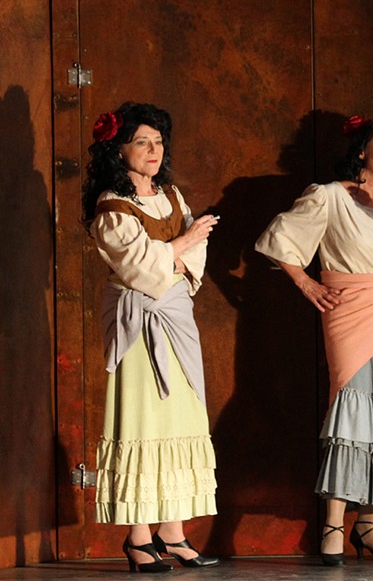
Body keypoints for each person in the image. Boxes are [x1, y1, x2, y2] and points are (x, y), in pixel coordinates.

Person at [255, 117, 373, 566]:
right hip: (353, 312)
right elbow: (281, 237)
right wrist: (306, 283)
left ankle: (368, 524)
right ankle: (334, 525)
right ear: (361, 151)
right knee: (352, 412)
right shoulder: (330, 195)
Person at [82, 102, 220, 572]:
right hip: (138, 323)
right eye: (142, 141)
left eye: (158, 141)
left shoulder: (171, 196)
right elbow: (136, 266)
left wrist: (176, 253)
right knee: (142, 421)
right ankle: (139, 537)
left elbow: (186, 259)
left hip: (176, 315)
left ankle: (172, 532)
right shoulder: (111, 206)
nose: (153, 150)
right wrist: (180, 245)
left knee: (180, 419)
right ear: (119, 150)